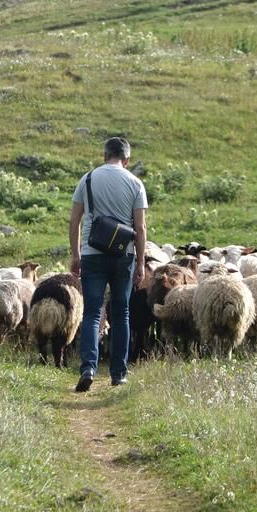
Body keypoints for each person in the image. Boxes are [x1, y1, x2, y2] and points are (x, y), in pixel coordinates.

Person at [69, 137, 148, 392]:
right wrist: (141, 263)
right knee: (121, 312)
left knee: (92, 312)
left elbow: (75, 221)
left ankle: (88, 368)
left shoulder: (88, 179)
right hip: (123, 255)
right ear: (127, 159)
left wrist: (75, 255)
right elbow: (140, 227)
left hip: (92, 253)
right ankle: (118, 374)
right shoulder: (135, 183)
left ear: (104, 155)